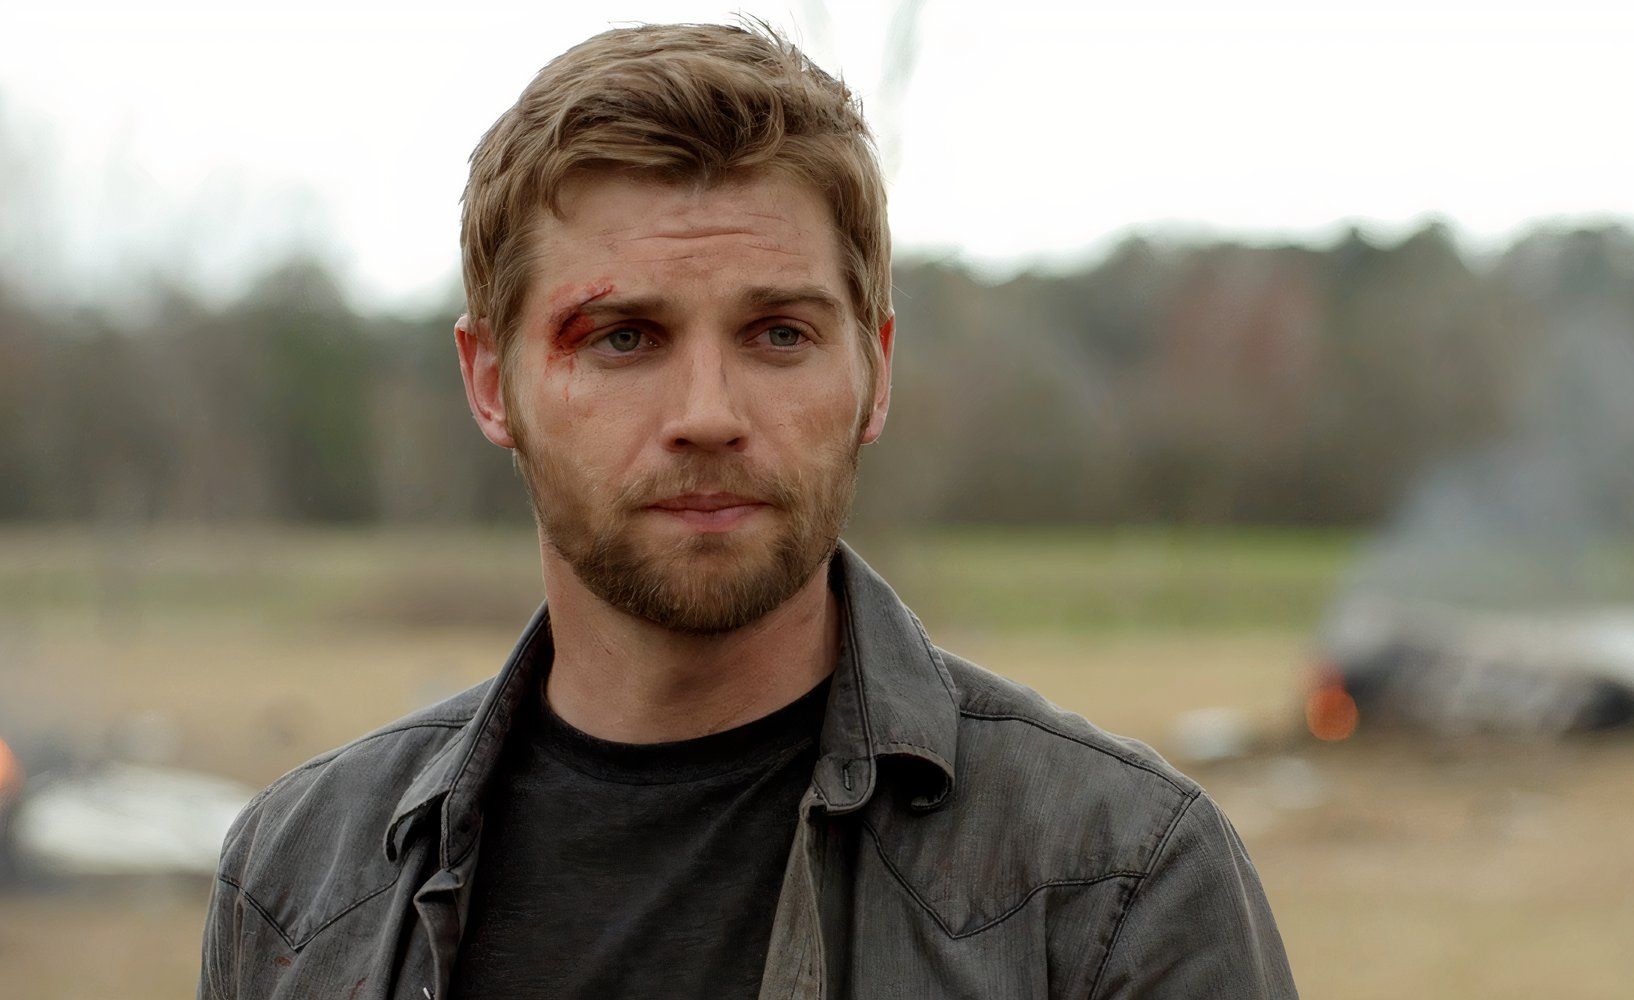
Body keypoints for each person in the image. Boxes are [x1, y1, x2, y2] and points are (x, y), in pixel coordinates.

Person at [198, 21, 1296, 1000]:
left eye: (778, 334)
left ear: (875, 370)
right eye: (623, 337)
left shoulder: (1114, 883)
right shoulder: (298, 883)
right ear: (491, 383)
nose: (708, 416)